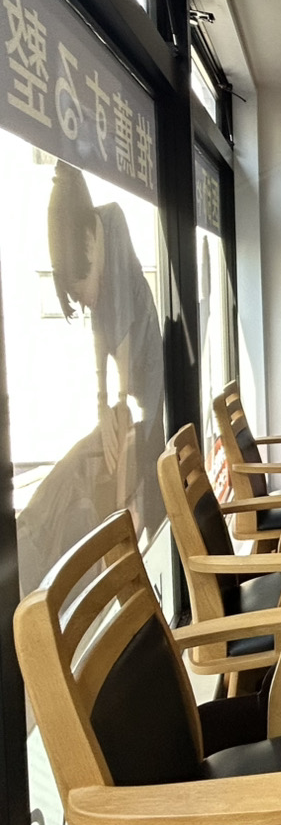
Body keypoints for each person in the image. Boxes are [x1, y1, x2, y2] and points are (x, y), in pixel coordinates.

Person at [19, 163, 166, 592]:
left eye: (78, 288)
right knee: (67, 483)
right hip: (131, 404)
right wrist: (103, 403)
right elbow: (103, 337)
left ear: (88, 241)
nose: (83, 301)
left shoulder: (113, 228)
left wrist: (113, 406)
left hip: (143, 396)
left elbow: (120, 344)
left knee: (109, 477)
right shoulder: (102, 245)